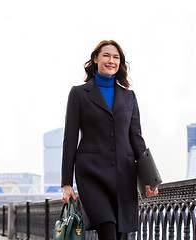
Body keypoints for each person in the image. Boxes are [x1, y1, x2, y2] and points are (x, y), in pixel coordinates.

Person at [61, 40, 158, 240]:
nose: (111, 60)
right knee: (108, 230)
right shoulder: (79, 93)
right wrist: (66, 184)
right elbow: (70, 139)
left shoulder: (129, 96)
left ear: (120, 63)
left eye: (116, 57)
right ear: (95, 59)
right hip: (92, 174)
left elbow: (136, 139)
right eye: (106, 55)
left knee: (121, 234)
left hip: (124, 175)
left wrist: (150, 179)